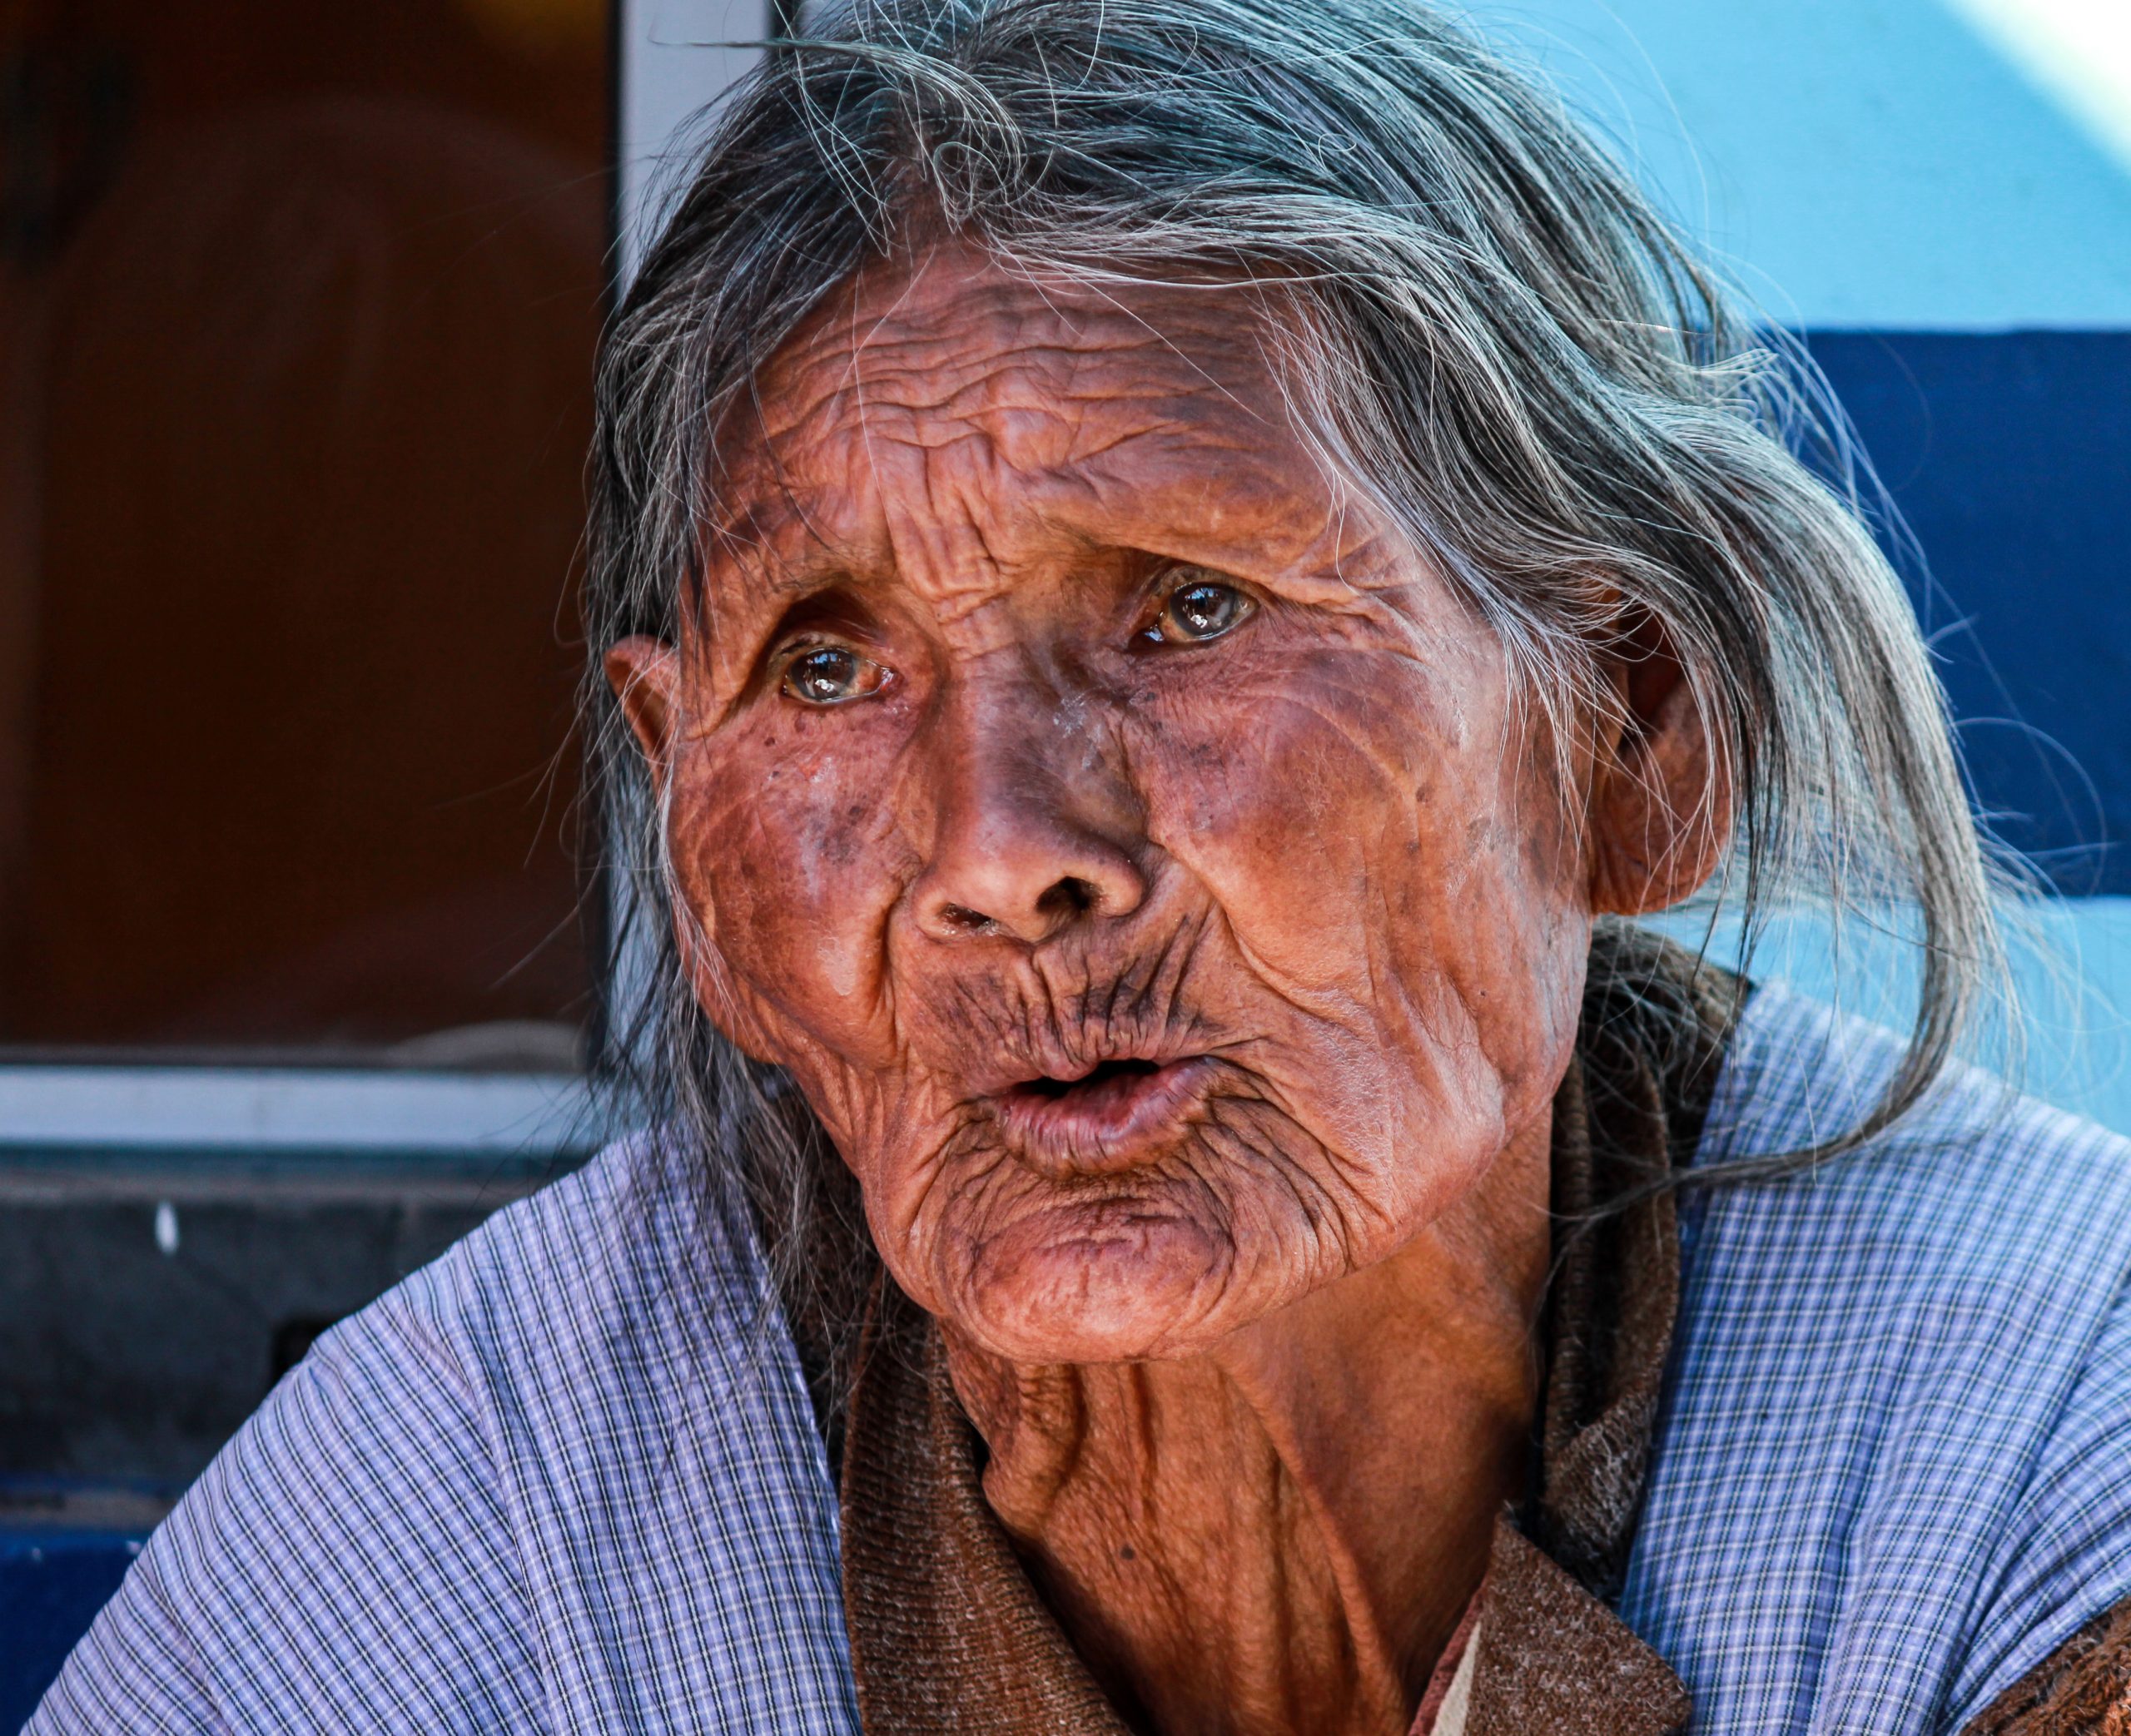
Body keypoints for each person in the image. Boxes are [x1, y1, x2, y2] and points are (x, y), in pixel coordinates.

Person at [34, 1, 2131, 1730]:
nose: (999, 854)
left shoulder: (2031, 1450)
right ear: (693, 845)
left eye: (1190, 611)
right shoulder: (462, 1530)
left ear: (1626, 740)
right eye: (830, 664)